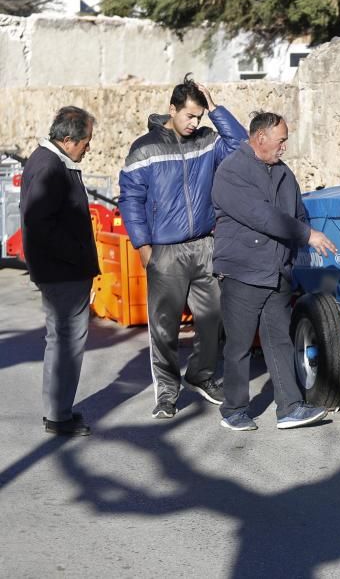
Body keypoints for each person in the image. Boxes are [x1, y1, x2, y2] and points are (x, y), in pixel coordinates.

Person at [118, 75, 247, 419]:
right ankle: (166, 392)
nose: (194, 123)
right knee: (164, 326)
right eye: (189, 115)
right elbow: (130, 198)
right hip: (164, 251)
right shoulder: (144, 148)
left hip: (205, 245)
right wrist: (144, 247)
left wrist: (216, 108)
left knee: (212, 318)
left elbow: (241, 145)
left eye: (199, 117)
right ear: (171, 109)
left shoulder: (208, 141)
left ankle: (201, 375)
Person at [212, 111, 337, 431]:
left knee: (280, 340)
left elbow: (298, 214)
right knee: (239, 345)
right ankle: (234, 410)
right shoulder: (231, 171)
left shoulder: (285, 174)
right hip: (243, 270)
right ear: (260, 137)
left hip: (276, 270)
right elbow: (261, 215)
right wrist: (308, 236)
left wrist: (294, 261)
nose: (284, 146)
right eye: (280, 139)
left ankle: (290, 407)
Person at [20, 106, 100, 436]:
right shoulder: (49, 166)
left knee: (61, 340)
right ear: (68, 140)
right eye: (86, 142)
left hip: (60, 271)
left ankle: (58, 411)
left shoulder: (50, 162)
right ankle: (58, 416)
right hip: (62, 273)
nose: (88, 148)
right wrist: (78, 256)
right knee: (66, 342)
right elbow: (39, 224)